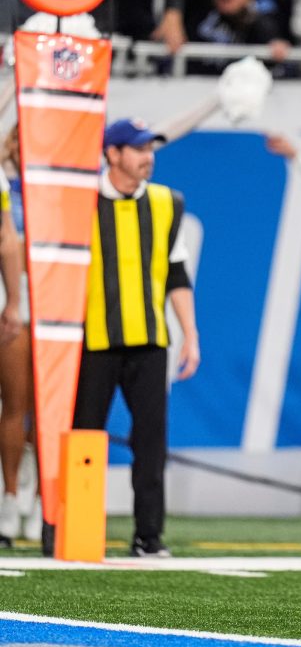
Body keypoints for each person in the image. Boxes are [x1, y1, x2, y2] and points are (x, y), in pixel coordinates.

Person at [72, 119, 201, 558]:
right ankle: (73, 532)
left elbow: (177, 273)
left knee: (151, 441)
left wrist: (191, 335)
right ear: (112, 154)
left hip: (149, 341)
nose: (147, 156)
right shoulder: (80, 202)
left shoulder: (167, 203)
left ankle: (149, 536)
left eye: (150, 148)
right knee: (84, 437)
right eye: (137, 148)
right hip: (93, 342)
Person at [0, 127, 40, 545]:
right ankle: (10, 497)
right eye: (17, 139)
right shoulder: (1, 179)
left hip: (53, 299)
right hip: (13, 295)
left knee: (47, 409)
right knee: (15, 403)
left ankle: (41, 498)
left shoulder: (53, 183)